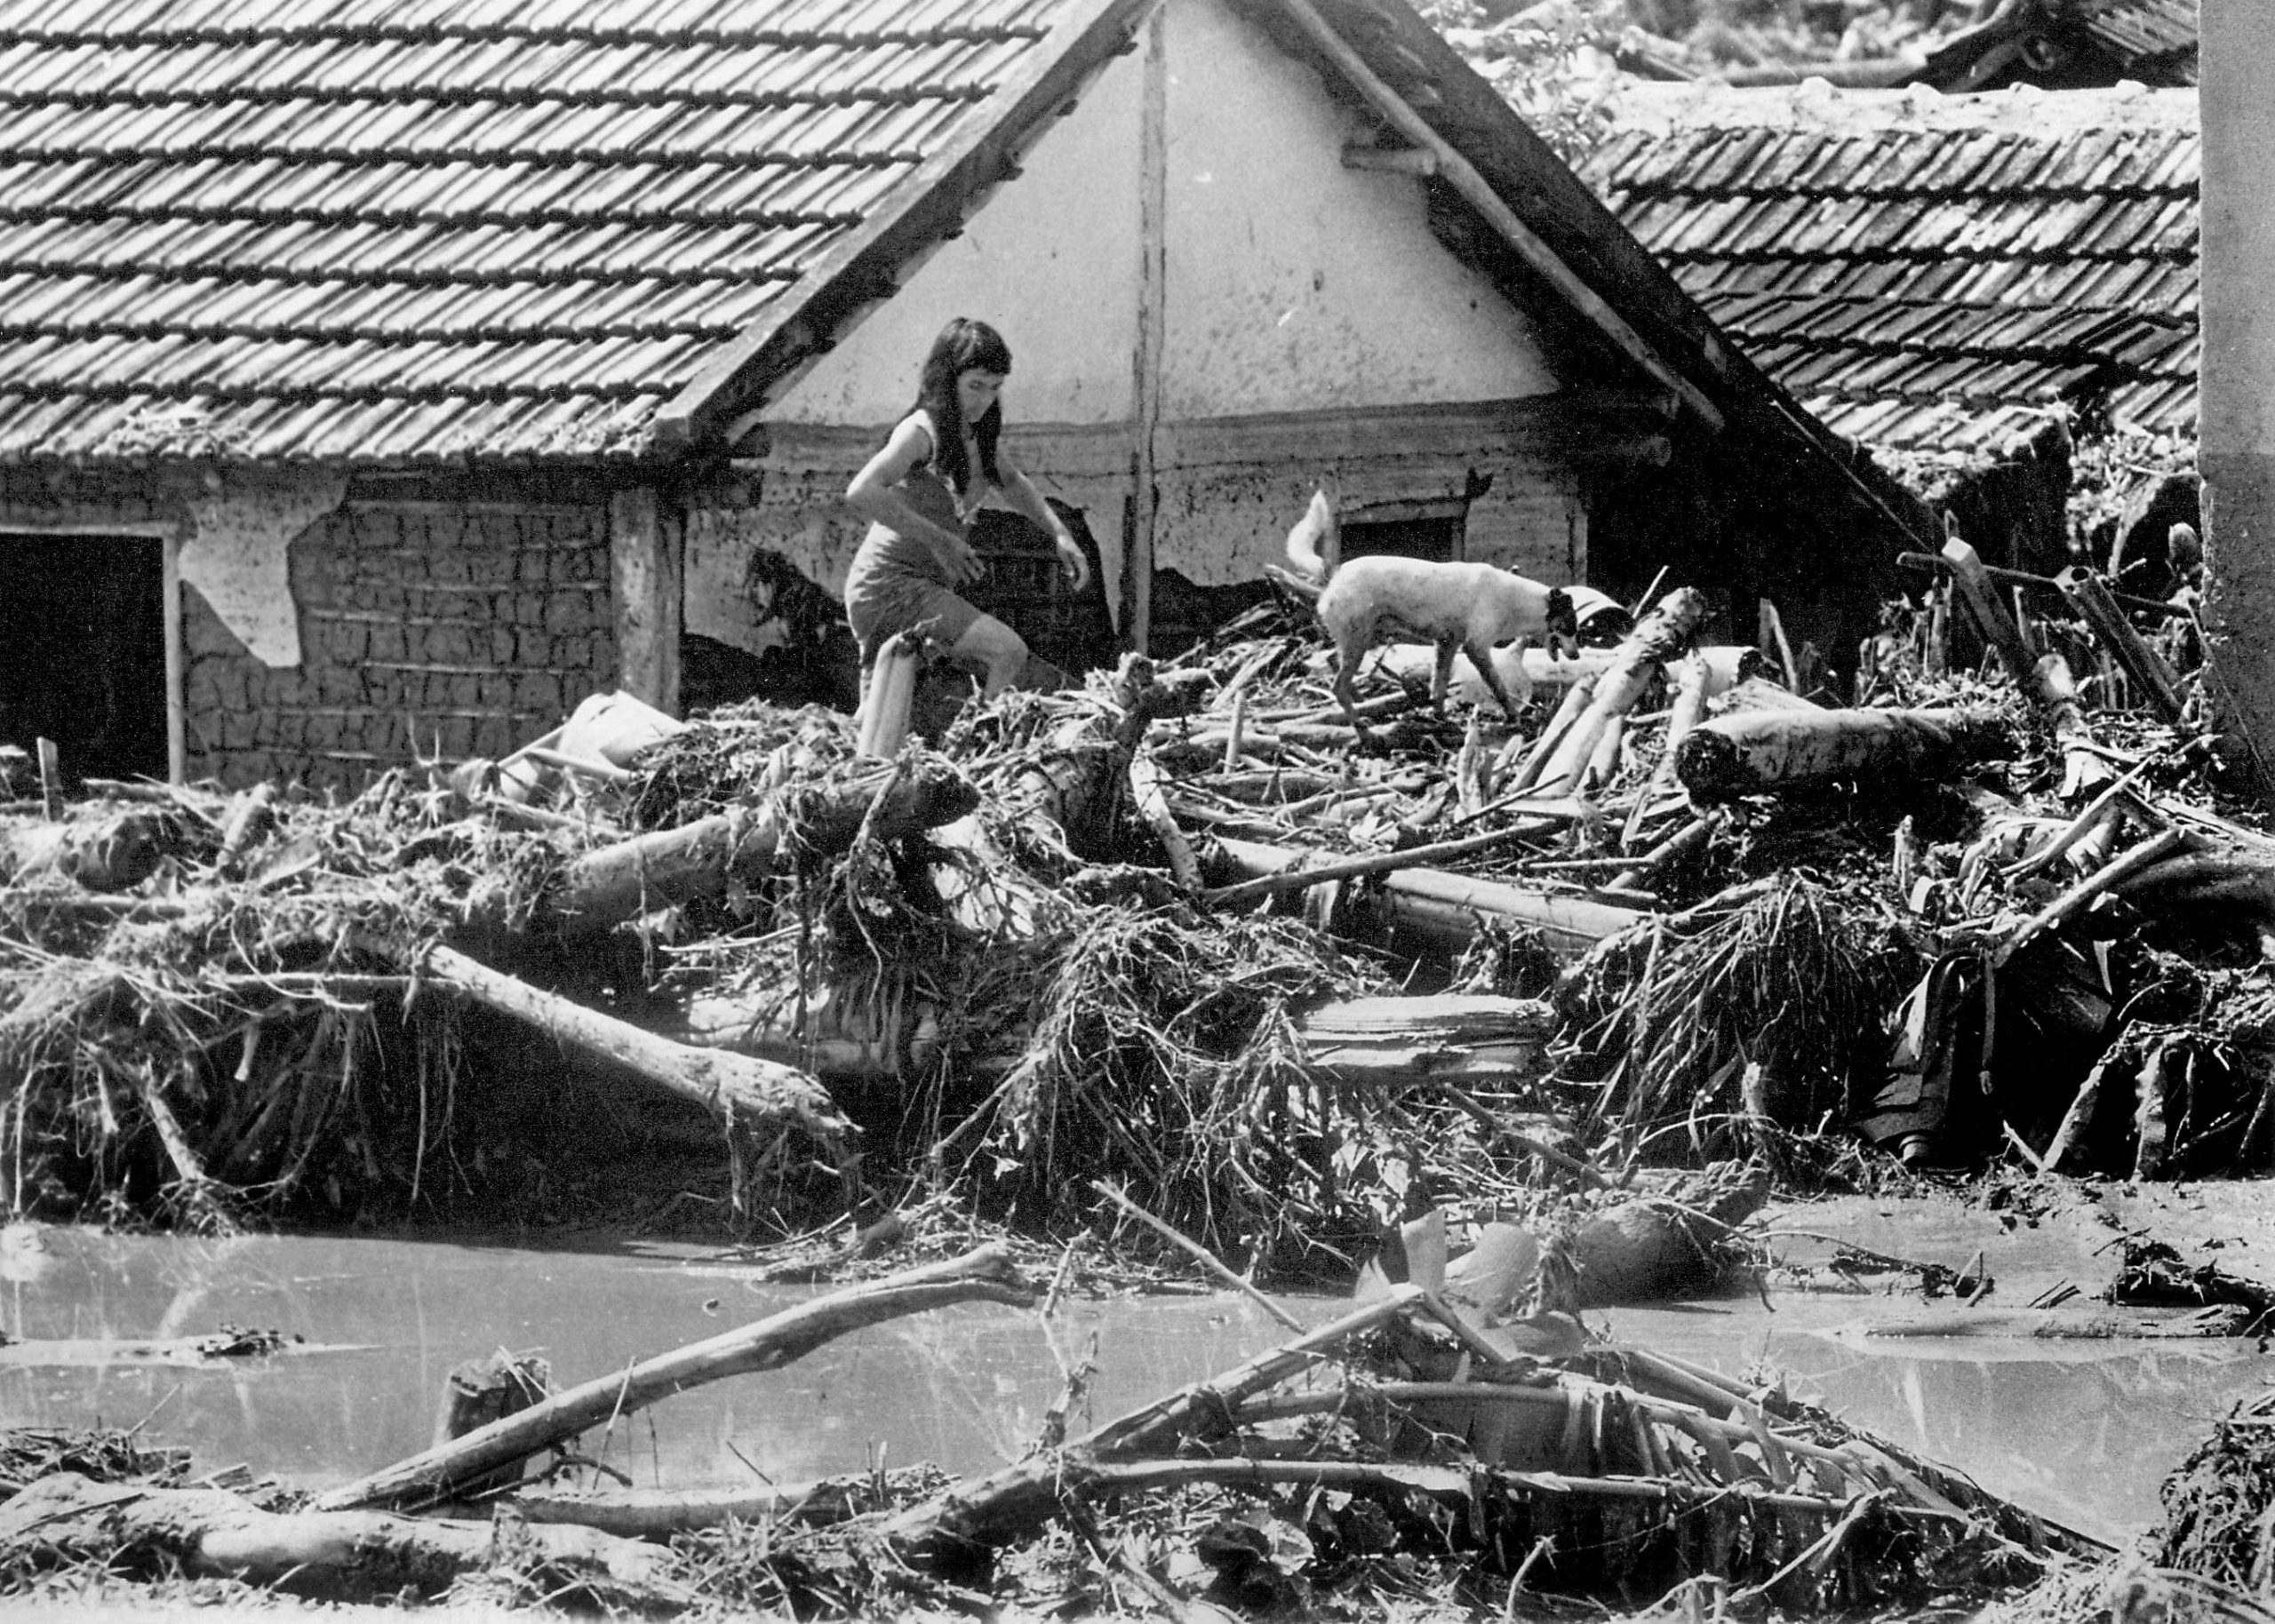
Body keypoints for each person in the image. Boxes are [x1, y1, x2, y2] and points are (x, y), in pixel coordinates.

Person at [842, 317, 1090, 700]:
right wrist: (941, 541)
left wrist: (1059, 533)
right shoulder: (921, 432)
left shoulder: (976, 434)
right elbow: (862, 491)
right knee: (1007, 651)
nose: (985, 400)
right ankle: (984, 732)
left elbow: (1011, 482)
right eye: (975, 386)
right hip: (891, 585)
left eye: (995, 388)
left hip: (924, 587)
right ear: (947, 378)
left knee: (883, 719)